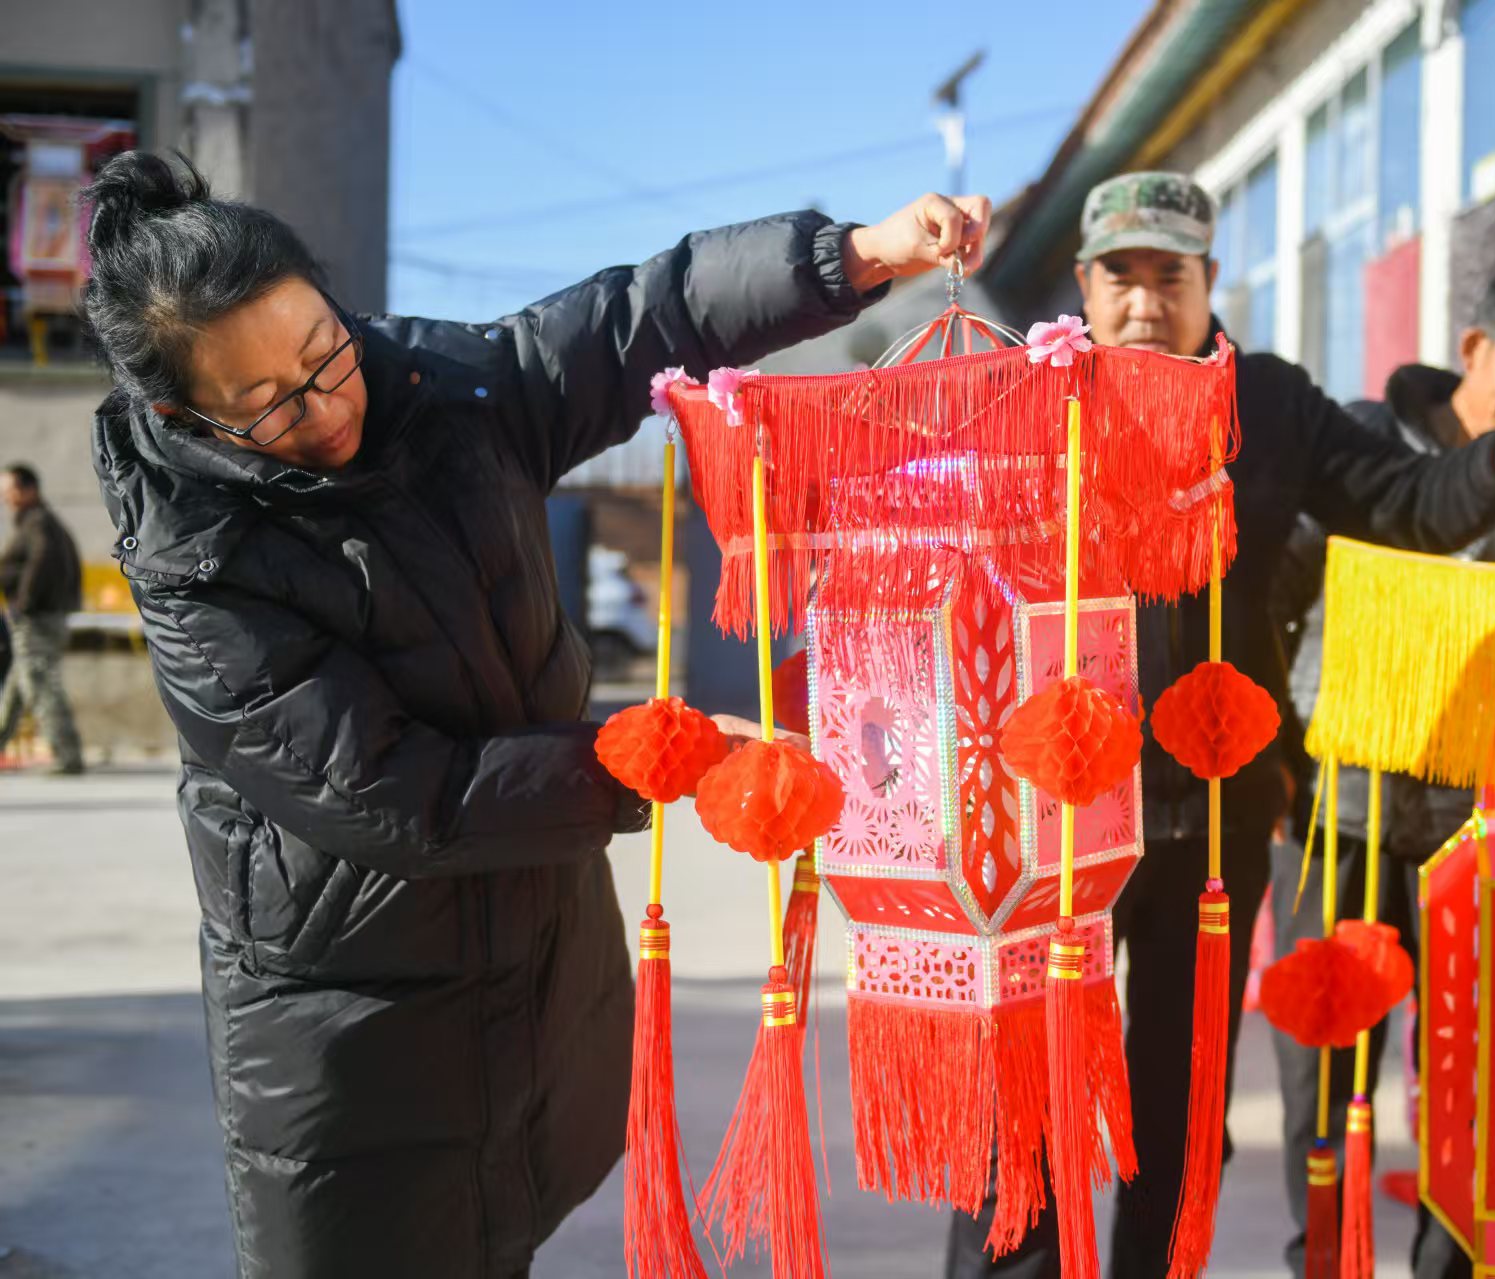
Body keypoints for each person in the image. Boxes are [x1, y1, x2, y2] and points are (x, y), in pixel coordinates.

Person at [83, 148, 989, 1278]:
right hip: (353, 1027)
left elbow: (634, 321)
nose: (326, 408)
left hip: (534, 960)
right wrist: (656, 761)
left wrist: (848, 258)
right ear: (183, 414)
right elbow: (393, 792)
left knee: (507, 1230)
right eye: (267, 405)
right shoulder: (199, 564)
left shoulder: (446, 389)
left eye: (326, 353)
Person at [945, 172, 1495, 1279]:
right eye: (1122, 276)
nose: (1145, 301)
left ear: (1211, 282)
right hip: (1046, 818)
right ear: (1084, 285)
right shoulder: (1020, 396)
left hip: (1208, 813)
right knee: (1026, 1098)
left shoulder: (1270, 404)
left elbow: (1405, 502)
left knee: (1180, 1103)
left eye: (1172, 274)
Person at [1271, 263, 1495, 1279]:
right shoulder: (1362, 443)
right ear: (1474, 351)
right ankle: (1323, 1264)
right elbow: (1279, 591)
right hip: (1339, 810)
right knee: (1324, 1073)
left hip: (1483, 823)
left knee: (1468, 1079)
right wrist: (1283, 770)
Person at [0, 462, 85, 773]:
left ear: (29, 490)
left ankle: (67, 756)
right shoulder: (37, 522)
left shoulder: (38, 523)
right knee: (17, 687)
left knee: (40, 685)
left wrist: (23, 604)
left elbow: (42, 561)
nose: (5, 497)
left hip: (36, 620)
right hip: (39, 617)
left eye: (9, 491)